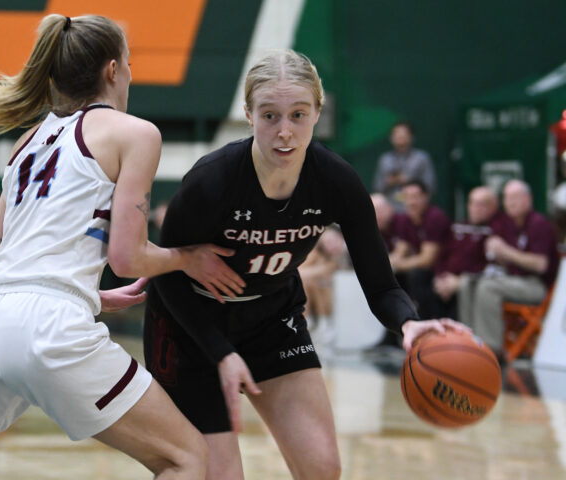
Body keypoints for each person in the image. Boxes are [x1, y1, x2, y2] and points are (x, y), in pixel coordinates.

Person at [0, 14, 247, 480]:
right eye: (131, 65)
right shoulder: (135, 133)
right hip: (48, 327)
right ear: (113, 70)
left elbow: (2, 257)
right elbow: (127, 257)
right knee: (185, 457)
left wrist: (87, 293)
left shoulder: (25, 143)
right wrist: (186, 258)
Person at [143, 50, 468, 480]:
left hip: (271, 317)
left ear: (318, 111)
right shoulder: (212, 180)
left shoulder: (336, 180)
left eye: (298, 115)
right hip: (192, 326)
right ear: (248, 114)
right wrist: (220, 353)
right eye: (270, 116)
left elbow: (381, 283)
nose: (284, 132)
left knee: (322, 469)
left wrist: (409, 325)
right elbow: (166, 276)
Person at [460, 179, 560, 356]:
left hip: (536, 285)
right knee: (468, 281)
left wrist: (506, 251)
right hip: (511, 279)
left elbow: (540, 265)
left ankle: (490, 349)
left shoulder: (539, 224)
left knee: (488, 287)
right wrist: (496, 253)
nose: (510, 202)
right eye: (506, 198)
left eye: (515, 197)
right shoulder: (508, 225)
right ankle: (468, 340)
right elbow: (504, 260)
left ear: (527, 199)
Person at [433, 186, 503, 320]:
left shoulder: (496, 230)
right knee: (420, 279)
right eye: (473, 203)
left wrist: (458, 281)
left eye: (481, 204)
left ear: (493, 207)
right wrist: (440, 277)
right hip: (447, 280)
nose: (476, 208)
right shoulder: (457, 227)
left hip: (470, 282)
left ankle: (464, 336)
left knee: (464, 289)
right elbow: (442, 255)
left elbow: (491, 266)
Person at [390, 180, 451, 319]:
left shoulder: (435, 217)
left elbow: (427, 260)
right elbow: (400, 251)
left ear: (426, 197)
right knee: (392, 277)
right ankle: (394, 329)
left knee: (417, 275)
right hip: (423, 272)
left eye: (415, 197)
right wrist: (387, 265)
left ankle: (424, 324)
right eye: (407, 197)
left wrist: (398, 264)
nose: (411, 202)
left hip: (442, 271)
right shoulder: (406, 220)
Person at [373, 122, 436, 210]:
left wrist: (409, 180)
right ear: (391, 138)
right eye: (396, 134)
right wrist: (389, 181)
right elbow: (377, 187)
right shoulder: (385, 159)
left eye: (403, 134)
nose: (400, 137)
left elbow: (430, 187)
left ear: (411, 137)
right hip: (389, 207)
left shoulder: (421, 158)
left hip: (414, 207)